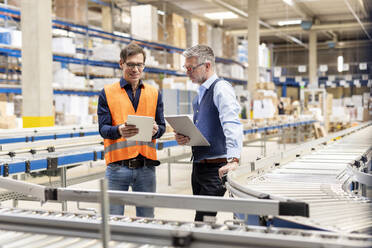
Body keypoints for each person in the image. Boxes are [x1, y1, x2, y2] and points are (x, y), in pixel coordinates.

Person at [175, 44, 243, 222]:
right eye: (186, 68)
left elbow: (232, 122)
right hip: (199, 167)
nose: (188, 72)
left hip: (215, 169)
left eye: (191, 68)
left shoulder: (221, 88)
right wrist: (186, 137)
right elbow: (208, 127)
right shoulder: (200, 94)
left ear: (207, 66)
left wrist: (234, 159)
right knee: (205, 221)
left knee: (202, 221)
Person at [98, 42, 165, 218]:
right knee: (113, 219)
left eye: (139, 65)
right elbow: (103, 129)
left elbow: (162, 126)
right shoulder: (107, 93)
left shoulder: (154, 93)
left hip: (146, 168)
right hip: (117, 168)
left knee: (147, 219)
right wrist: (119, 130)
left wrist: (156, 131)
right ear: (121, 64)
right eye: (130, 64)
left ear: (144, 65)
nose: (135, 69)